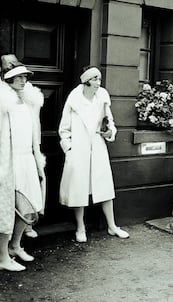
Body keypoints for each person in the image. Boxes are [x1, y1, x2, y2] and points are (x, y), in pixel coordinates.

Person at [58, 66, 129, 242]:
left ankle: (112, 226)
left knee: (104, 185)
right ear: (87, 81)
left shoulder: (102, 97)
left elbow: (110, 122)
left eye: (99, 79)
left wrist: (109, 132)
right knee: (78, 188)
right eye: (96, 79)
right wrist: (70, 149)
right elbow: (64, 128)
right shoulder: (74, 99)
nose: (99, 82)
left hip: (98, 146)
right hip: (79, 148)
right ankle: (80, 228)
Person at [0, 61, 46, 268]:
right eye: (18, 77)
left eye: (25, 77)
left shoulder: (28, 103)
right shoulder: (3, 102)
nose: (22, 80)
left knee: (28, 207)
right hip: (9, 161)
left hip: (26, 159)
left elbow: (33, 136)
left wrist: (37, 161)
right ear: (7, 79)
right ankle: (3, 257)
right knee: (8, 209)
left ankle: (15, 245)